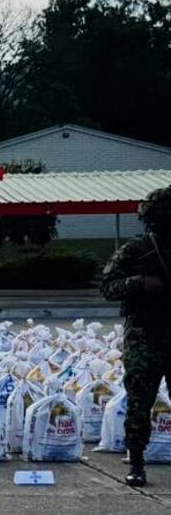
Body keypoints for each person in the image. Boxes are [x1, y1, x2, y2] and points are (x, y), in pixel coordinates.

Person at [100, 186, 171, 487]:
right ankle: (137, 461)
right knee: (140, 401)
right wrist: (140, 283)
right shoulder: (136, 250)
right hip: (145, 337)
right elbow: (108, 286)